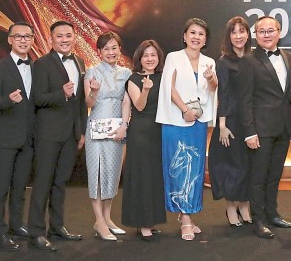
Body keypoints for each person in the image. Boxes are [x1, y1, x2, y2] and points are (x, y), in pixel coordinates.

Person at [29, 20, 87, 252]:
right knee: (42, 182)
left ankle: (57, 226)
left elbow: (80, 101)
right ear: (51, 39)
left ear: (74, 37)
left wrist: (81, 131)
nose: (64, 39)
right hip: (48, 134)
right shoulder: (41, 64)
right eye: (60, 36)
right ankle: (36, 232)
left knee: (61, 182)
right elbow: (38, 99)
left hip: (71, 134)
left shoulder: (80, 61)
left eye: (68, 35)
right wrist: (60, 94)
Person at [158, 18, 218, 241]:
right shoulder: (174, 57)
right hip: (176, 120)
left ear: (205, 39)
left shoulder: (209, 61)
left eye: (201, 34)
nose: (196, 37)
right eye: (192, 33)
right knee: (179, 168)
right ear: (184, 36)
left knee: (195, 169)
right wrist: (184, 109)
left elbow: (213, 89)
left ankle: (189, 213)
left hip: (198, 122)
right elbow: (169, 87)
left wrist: (212, 79)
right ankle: (184, 218)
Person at [241, 16, 291, 239]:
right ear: (256, 35)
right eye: (261, 31)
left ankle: (272, 214)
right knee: (258, 177)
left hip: (283, 127)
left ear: (279, 32)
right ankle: (258, 220)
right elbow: (244, 99)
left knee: (274, 175)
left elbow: (288, 93)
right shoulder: (248, 60)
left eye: (270, 30)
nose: (266, 34)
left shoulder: (288, 57)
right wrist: (249, 131)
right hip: (260, 130)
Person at [0, 22, 37, 251]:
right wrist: (8, 100)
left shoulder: (36, 67)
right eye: (18, 37)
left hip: (28, 138)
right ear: (10, 40)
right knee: (0, 187)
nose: (23, 40)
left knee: (20, 186)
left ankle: (16, 225)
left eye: (27, 37)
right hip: (4, 138)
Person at [84, 32, 132, 241]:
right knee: (96, 173)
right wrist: (94, 91)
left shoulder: (126, 73)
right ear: (99, 52)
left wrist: (124, 125)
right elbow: (89, 103)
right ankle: (99, 222)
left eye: (114, 47)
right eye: (106, 49)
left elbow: (126, 102)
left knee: (112, 173)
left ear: (119, 49)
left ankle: (107, 218)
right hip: (96, 129)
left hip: (117, 129)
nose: (111, 52)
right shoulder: (91, 72)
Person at [208, 17, 253, 227]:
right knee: (231, 166)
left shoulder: (254, 58)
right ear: (229, 36)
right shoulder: (224, 62)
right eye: (234, 32)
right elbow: (223, 93)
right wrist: (222, 125)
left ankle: (245, 206)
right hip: (231, 120)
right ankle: (230, 208)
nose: (238, 36)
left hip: (252, 120)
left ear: (247, 34)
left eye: (241, 31)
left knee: (248, 166)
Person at [121, 39, 167, 240]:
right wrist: (146, 89)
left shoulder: (163, 77)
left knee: (155, 176)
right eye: (146, 55)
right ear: (139, 58)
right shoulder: (133, 79)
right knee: (142, 176)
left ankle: (151, 220)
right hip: (140, 132)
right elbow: (138, 106)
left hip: (159, 131)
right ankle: (141, 223)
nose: (150, 59)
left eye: (153, 55)